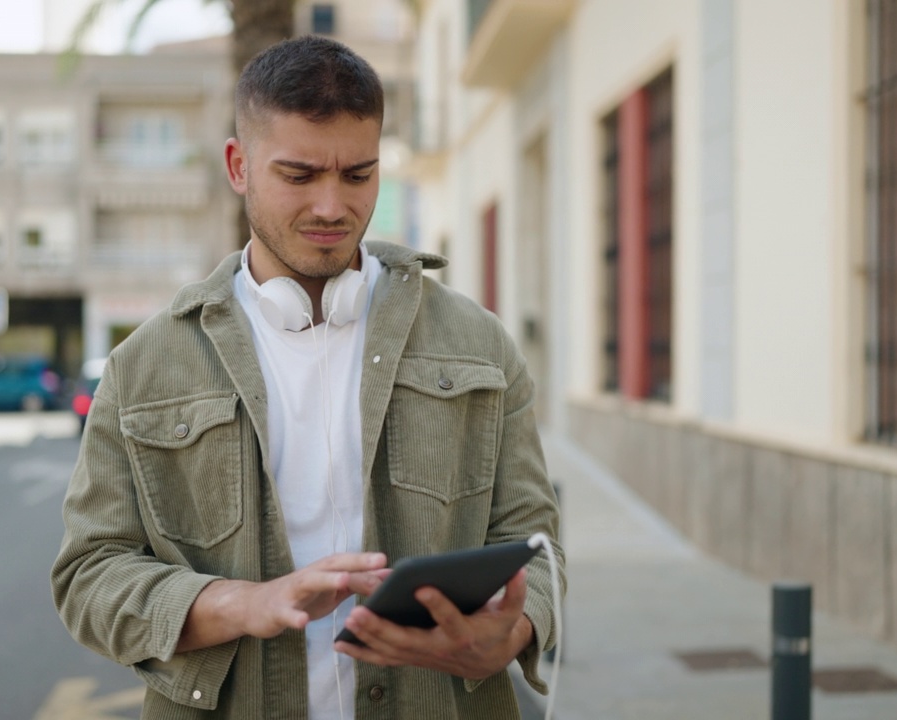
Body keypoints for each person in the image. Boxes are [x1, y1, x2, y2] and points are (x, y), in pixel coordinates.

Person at [51, 35, 564, 720]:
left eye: (358, 176)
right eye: (298, 176)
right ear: (239, 165)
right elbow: (88, 576)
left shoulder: (478, 342)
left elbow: (537, 540)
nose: (332, 207)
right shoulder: (143, 366)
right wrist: (243, 603)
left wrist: (516, 631)